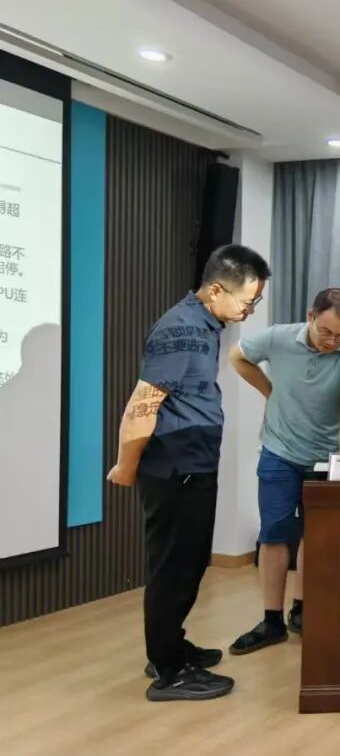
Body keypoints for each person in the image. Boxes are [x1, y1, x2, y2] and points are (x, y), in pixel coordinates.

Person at [107, 244, 270, 702]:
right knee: (173, 569)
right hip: (175, 466)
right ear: (216, 290)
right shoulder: (180, 329)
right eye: (247, 301)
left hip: (192, 463)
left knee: (191, 562)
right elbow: (143, 403)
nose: (249, 310)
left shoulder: (205, 326)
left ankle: (170, 646)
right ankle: (169, 671)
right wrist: (126, 465)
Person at [228, 288, 340, 654]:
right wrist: (268, 391)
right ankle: (271, 620)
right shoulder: (278, 337)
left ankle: (302, 610)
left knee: (314, 534)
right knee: (274, 533)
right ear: (310, 316)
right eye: (326, 332)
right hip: (280, 450)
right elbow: (237, 356)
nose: (333, 341)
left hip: (324, 457)